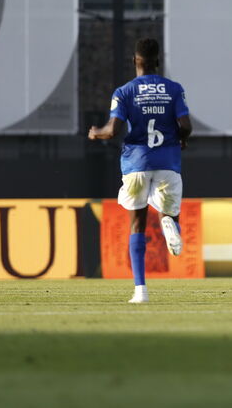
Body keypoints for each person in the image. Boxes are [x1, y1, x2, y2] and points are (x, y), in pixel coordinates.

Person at [88, 38, 191, 304]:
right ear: (158, 61)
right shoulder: (174, 89)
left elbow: (112, 130)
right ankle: (169, 220)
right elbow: (186, 125)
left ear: (135, 61)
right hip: (167, 161)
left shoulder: (124, 91)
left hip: (136, 164)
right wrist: (181, 137)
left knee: (137, 224)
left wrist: (95, 132)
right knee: (169, 212)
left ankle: (140, 291)